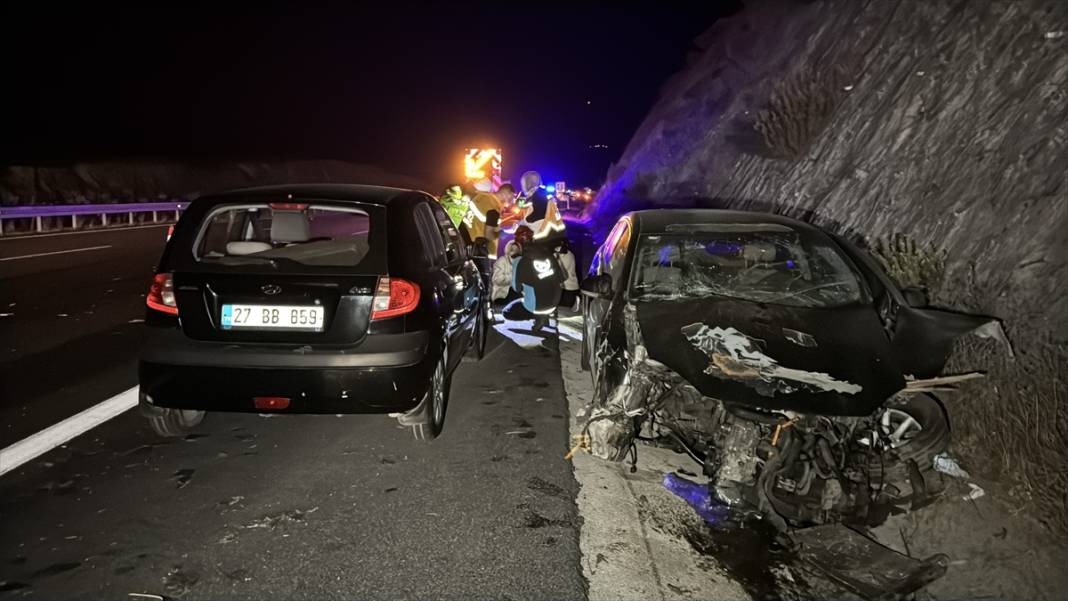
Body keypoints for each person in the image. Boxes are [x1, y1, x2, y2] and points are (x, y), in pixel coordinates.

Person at [511, 224, 565, 332]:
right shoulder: (548, 254)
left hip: (536, 306)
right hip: (555, 302)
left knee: (508, 312)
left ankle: (537, 317)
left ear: (518, 244)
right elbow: (561, 277)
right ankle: (545, 316)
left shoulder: (519, 261)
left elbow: (516, 288)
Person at [464, 181, 514, 260]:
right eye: (511, 197)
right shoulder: (494, 208)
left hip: (465, 243)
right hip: (478, 252)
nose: (511, 201)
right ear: (505, 194)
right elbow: (489, 235)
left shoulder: (480, 197)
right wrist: (501, 234)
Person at [517, 170, 566, 244]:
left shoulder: (538, 194)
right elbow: (520, 205)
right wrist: (523, 195)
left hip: (543, 234)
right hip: (552, 232)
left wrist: (525, 222)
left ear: (527, 183)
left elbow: (539, 214)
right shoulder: (540, 192)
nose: (522, 186)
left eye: (523, 184)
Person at [491, 234, 523, 303]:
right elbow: (497, 280)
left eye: (516, 249)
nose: (514, 251)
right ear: (508, 250)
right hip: (502, 294)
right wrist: (514, 278)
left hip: (519, 293)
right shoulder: (502, 261)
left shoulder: (522, 262)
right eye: (512, 249)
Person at [555, 239, 580, 312]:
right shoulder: (555, 255)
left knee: (566, 305)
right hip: (561, 287)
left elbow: (563, 274)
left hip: (569, 287)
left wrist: (558, 259)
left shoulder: (569, 255)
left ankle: (575, 300)